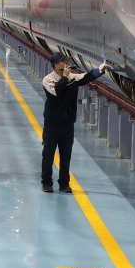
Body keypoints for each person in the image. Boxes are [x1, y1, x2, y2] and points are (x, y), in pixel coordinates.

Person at [41, 53, 110, 193]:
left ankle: (64, 183)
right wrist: (65, 77)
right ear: (56, 65)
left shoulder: (73, 77)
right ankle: (47, 183)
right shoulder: (48, 80)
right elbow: (56, 92)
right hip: (52, 124)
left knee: (66, 155)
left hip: (67, 124)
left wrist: (100, 70)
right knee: (48, 154)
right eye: (63, 61)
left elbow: (86, 77)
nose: (67, 63)